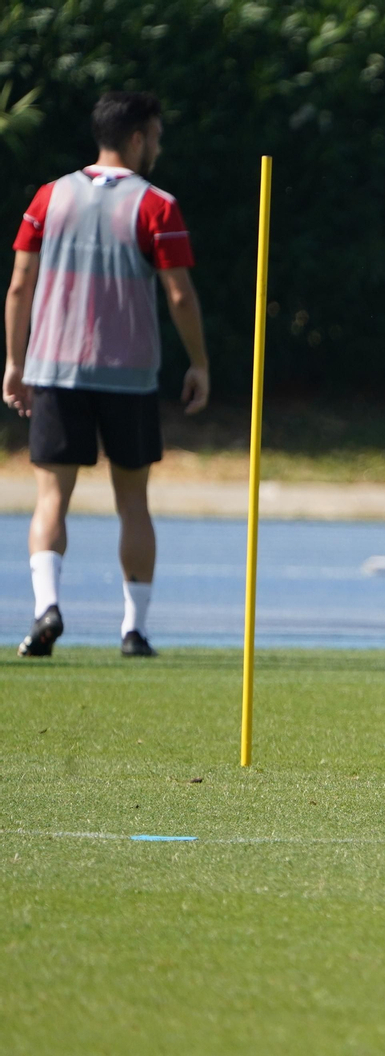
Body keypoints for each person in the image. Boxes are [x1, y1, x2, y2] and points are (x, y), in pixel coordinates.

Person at [4, 91, 210, 658]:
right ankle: (133, 629)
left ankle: (47, 606)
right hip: (129, 374)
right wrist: (199, 362)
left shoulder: (48, 197)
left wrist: (15, 362)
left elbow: (19, 285)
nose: (159, 147)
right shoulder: (157, 205)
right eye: (157, 137)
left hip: (56, 368)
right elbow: (180, 294)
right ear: (139, 137)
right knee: (133, 501)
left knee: (51, 497)